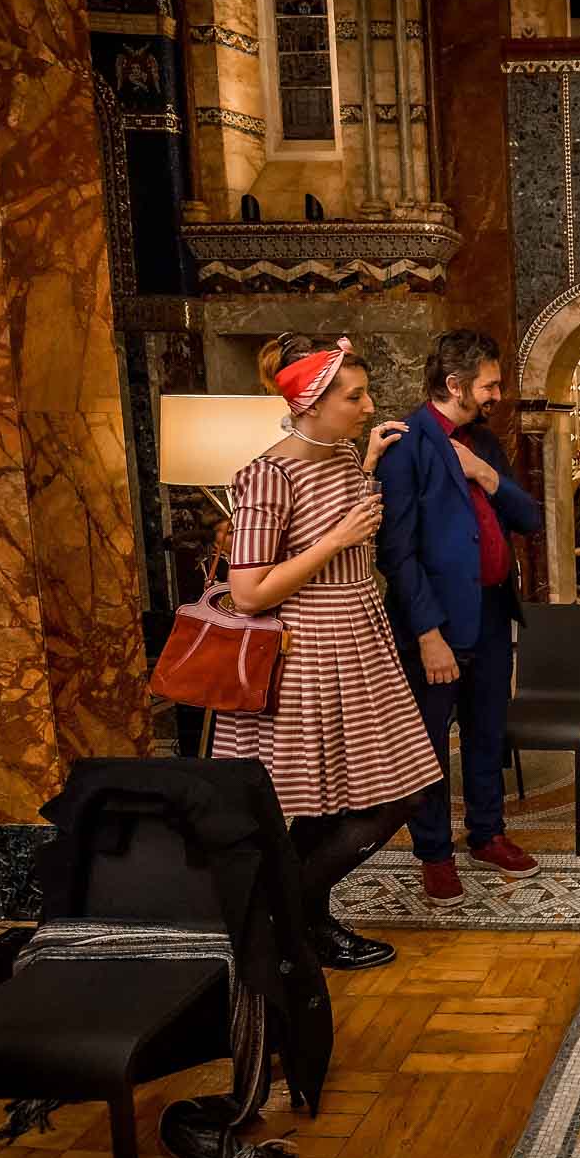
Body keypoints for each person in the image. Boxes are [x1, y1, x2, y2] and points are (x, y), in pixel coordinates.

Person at [219, 332, 441, 972]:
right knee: (321, 803)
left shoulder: (341, 456)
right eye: (355, 396)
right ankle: (298, 921)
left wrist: (365, 467)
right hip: (306, 650)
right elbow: (248, 592)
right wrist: (338, 537)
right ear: (310, 402)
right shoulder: (268, 475)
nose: (369, 406)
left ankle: (296, 916)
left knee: (391, 791)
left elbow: (335, 520)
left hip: (359, 638)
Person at [379, 329, 544, 906]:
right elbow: (395, 553)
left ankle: (486, 834)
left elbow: (529, 516)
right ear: (455, 385)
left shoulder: (483, 443)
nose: (498, 394)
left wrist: (482, 472)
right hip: (438, 628)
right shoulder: (405, 444)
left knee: (485, 733)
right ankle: (435, 854)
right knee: (428, 744)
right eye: (489, 384)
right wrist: (427, 633)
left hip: (494, 616)